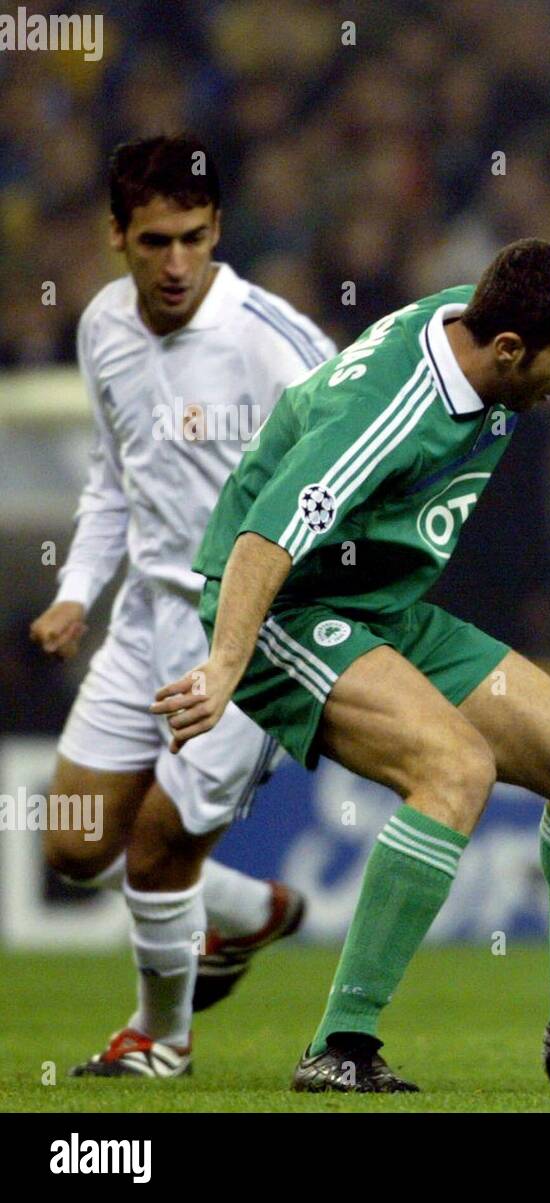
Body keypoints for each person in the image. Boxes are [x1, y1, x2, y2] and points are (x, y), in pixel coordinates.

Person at [150, 239, 550, 1093]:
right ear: (506, 353)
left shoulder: (486, 314)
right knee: (454, 767)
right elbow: (266, 533)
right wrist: (228, 664)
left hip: (384, 608)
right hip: (289, 609)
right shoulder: (387, 411)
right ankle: (339, 1046)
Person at [29, 135, 333, 1077]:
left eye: (194, 239)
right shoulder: (101, 327)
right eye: (154, 240)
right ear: (116, 234)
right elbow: (112, 481)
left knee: (160, 847)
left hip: (248, 636)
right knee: (75, 845)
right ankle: (249, 913)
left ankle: (159, 1039)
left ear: (218, 231)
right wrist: (77, 592)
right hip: (141, 624)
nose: (175, 263)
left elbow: (358, 465)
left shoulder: (274, 341)